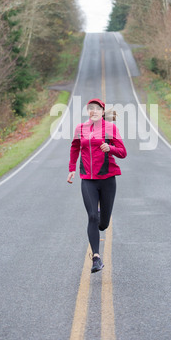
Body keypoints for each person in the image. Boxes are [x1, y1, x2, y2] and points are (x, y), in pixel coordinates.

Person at [67, 98, 127, 273]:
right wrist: (72, 169)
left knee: (103, 224)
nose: (93, 111)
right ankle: (96, 258)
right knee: (92, 216)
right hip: (87, 179)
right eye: (90, 109)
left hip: (108, 179)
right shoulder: (80, 129)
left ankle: (102, 218)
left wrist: (110, 148)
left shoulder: (111, 129)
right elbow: (74, 147)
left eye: (96, 108)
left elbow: (123, 152)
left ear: (102, 111)